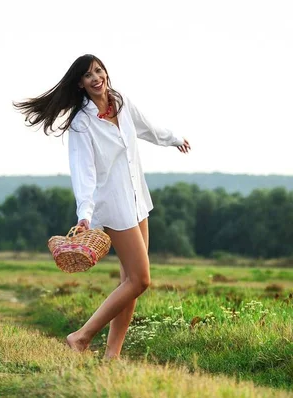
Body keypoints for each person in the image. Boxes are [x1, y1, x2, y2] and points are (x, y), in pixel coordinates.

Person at [13, 54, 191, 359]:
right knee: (140, 279)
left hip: (137, 198)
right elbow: (84, 172)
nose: (96, 78)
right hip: (112, 206)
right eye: (87, 75)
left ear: (105, 72)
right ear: (80, 84)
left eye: (98, 71)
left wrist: (174, 139)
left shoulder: (121, 103)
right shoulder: (81, 124)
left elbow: (147, 128)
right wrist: (85, 214)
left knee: (130, 283)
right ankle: (81, 337)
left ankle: (112, 356)